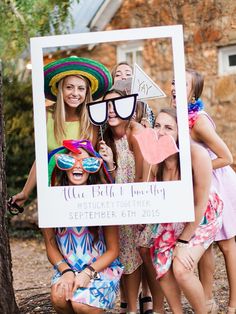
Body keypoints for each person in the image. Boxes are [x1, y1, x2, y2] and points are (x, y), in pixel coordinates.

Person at [139, 107, 223, 313]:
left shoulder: (197, 155)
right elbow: (149, 194)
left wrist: (182, 242)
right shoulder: (155, 159)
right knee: (159, 259)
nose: (161, 132)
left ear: (180, 133)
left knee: (181, 268)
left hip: (203, 215)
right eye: (157, 126)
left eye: (169, 128)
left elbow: (200, 205)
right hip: (173, 214)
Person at [9, 56, 112, 209]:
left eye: (81, 88)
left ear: (87, 92)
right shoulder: (46, 115)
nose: (75, 93)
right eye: (69, 87)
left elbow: (94, 161)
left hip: (84, 194)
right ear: (60, 89)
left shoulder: (92, 120)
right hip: (53, 190)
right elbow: (41, 159)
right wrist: (25, 192)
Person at [172, 69, 236, 313]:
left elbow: (227, 157)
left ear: (193, 92)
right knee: (205, 243)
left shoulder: (197, 121)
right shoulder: (175, 118)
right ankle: (207, 300)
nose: (175, 87)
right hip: (200, 188)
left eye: (183, 84)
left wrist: (197, 170)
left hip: (219, 183)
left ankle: (233, 304)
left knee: (228, 245)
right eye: (174, 82)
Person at [44, 139, 123, 313]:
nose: (78, 166)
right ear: (63, 167)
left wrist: (88, 273)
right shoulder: (51, 200)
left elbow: (113, 251)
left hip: (100, 268)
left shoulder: (104, 198)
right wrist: (66, 272)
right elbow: (51, 247)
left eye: (85, 162)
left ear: (92, 169)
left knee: (82, 306)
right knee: (59, 296)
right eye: (71, 161)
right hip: (69, 267)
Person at [111, 62, 157, 314]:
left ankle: (148, 297)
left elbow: (147, 162)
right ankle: (127, 301)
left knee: (143, 247)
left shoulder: (139, 120)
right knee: (124, 247)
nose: (123, 77)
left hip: (138, 189)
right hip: (119, 188)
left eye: (127, 73)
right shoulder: (107, 122)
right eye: (118, 74)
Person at [95, 88, 144, 314]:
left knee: (133, 255)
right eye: (106, 106)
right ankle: (128, 305)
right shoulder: (104, 139)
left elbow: (143, 175)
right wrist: (109, 161)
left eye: (116, 104)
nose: (111, 110)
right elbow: (114, 179)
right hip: (116, 205)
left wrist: (140, 207)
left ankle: (135, 308)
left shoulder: (134, 132)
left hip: (136, 203)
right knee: (122, 253)